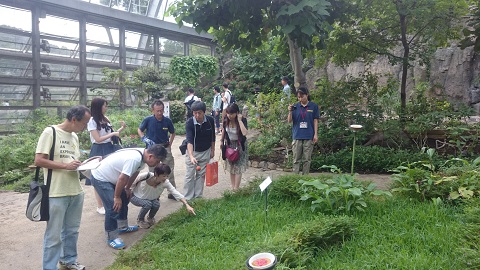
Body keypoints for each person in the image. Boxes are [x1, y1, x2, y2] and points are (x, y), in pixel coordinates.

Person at [34, 105, 91, 270]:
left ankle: (69, 260)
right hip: (56, 192)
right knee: (53, 236)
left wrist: (85, 165)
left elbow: (72, 161)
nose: (86, 126)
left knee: (72, 231)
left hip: (75, 191)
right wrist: (65, 166)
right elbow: (39, 160)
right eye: (85, 122)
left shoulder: (74, 137)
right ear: (74, 119)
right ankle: (50, 267)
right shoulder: (50, 132)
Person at [90, 145, 167, 250]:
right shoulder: (134, 159)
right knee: (113, 206)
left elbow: (135, 172)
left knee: (125, 198)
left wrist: (127, 188)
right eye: (157, 161)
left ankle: (122, 227)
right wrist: (116, 197)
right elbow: (122, 178)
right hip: (101, 178)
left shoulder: (142, 157)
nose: (158, 164)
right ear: (150, 156)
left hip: (112, 178)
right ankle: (111, 237)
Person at [87, 97, 126, 215]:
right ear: (98, 107)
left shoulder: (106, 119)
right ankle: (100, 206)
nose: (106, 107)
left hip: (109, 148)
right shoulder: (92, 121)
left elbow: (110, 134)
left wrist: (121, 129)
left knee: (111, 175)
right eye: (105, 105)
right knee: (98, 178)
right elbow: (98, 139)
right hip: (99, 149)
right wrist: (113, 133)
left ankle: (110, 202)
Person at [130, 164, 196, 229]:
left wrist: (187, 205)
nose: (165, 178)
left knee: (156, 204)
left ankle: (150, 217)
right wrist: (129, 191)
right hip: (136, 196)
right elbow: (131, 181)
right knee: (148, 204)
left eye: (167, 176)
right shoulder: (145, 176)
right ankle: (140, 220)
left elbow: (175, 192)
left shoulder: (165, 183)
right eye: (163, 176)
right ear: (156, 174)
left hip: (150, 199)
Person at [137, 99, 176, 200]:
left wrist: (170, 144)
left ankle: (172, 192)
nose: (159, 113)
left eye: (161, 110)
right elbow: (139, 130)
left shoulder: (167, 121)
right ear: (153, 110)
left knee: (169, 170)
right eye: (157, 110)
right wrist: (144, 138)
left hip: (165, 148)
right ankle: (154, 195)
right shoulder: (148, 120)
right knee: (153, 173)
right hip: (153, 149)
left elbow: (173, 132)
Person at [184, 101, 216, 200]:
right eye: (195, 113)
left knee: (201, 175)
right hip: (193, 152)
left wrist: (212, 150)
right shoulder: (189, 123)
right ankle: (188, 198)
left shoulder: (210, 120)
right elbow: (189, 141)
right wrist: (191, 156)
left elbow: (213, 137)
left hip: (206, 151)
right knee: (189, 175)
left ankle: (198, 197)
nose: (197, 115)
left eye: (199, 113)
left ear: (204, 112)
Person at [287, 87, 320, 175]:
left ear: (307, 95)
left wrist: (315, 134)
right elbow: (289, 121)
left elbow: (315, 121)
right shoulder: (295, 106)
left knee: (307, 159)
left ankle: (305, 178)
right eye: (299, 97)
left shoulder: (314, 106)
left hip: (309, 136)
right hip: (297, 135)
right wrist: (290, 111)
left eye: (302, 96)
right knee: (296, 159)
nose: (301, 99)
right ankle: (295, 177)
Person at [221, 103, 249, 191]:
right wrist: (221, 141)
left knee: (238, 167)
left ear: (237, 113)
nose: (230, 116)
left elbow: (245, 133)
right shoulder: (226, 119)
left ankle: (236, 189)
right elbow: (223, 130)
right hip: (230, 145)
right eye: (228, 113)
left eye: (232, 114)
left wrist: (240, 120)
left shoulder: (242, 120)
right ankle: (232, 187)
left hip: (240, 145)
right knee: (231, 166)